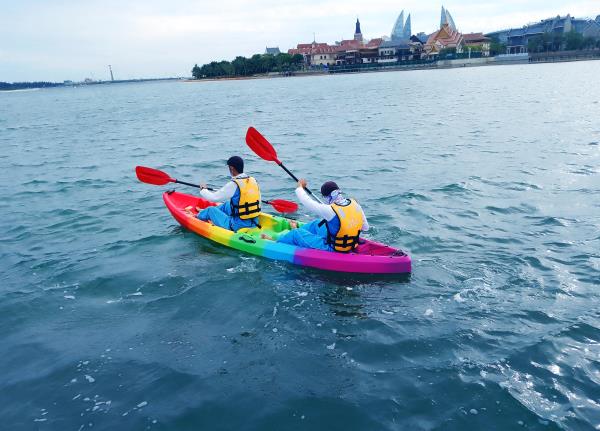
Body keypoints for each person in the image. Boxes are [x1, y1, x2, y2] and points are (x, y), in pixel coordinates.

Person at [263, 179, 369, 252]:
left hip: (333, 248)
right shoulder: (355, 203)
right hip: (351, 244)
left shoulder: (330, 210)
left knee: (296, 233)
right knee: (317, 224)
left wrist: (299, 187)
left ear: (326, 197)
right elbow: (365, 228)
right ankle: (297, 231)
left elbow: (307, 202)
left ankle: (276, 242)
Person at [190, 156, 262, 232]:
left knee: (210, 210)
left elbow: (213, 198)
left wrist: (203, 190)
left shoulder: (234, 184)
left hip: (237, 226)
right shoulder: (253, 181)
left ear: (231, 168)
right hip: (254, 222)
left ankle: (197, 216)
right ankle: (203, 211)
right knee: (227, 204)